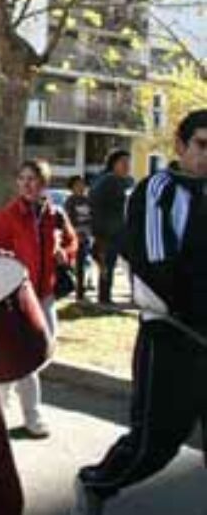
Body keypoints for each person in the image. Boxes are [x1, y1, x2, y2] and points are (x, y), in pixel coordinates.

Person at [73, 109, 207, 514]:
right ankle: (96, 483)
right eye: (202, 145)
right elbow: (157, 264)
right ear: (180, 147)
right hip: (171, 337)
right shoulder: (157, 190)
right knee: (154, 443)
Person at [0, 160, 77, 439]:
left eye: (33, 179)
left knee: (43, 351)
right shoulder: (8, 215)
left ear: (44, 184)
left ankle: (6, 400)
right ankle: (31, 416)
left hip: (46, 294)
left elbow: (72, 242)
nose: (27, 184)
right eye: (23, 178)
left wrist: (66, 252)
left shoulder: (55, 214)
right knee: (27, 356)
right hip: (17, 296)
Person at [88, 149, 133, 304]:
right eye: (124, 163)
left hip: (123, 232)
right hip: (107, 233)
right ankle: (104, 298)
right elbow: (94, 204)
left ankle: (137, 294)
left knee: (135, 263)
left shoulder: (128, 181)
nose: (127, 166)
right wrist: (98, 232)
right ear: (114, 164)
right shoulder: (107, 180)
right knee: (107, 265)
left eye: (129, 163)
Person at [64, 175, 93, 301]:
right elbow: (67, 221)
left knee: (86, 264)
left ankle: (82, 290)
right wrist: (75, 235)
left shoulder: (87, 200)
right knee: (79, 266)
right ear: (72, 187)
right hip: (76, 237)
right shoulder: (70, 201)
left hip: (87, 237)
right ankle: (79, 293)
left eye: (83, 184)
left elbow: (91, 218)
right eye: (78, 185)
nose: (81, 187)